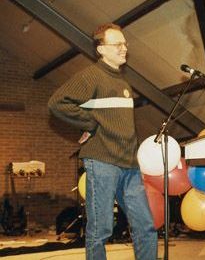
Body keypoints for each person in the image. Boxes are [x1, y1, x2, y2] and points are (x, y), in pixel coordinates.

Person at [48, 23, 157, 260]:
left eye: (125, 43)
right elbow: (57, 103)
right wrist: (90, 123)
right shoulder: (90, 76)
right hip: (102, 161)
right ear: (101, 49)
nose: (123, 48)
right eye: (117, 44)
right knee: (100, 230)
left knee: (146, 226)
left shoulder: (124, 83)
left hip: (129, 164)